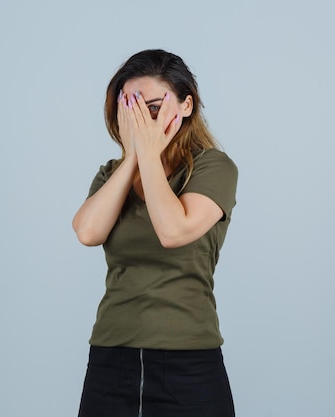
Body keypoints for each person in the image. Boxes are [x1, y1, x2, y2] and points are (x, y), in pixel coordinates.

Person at [72, 49, 238, 417]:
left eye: (150, 107)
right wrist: (133, 157)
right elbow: (87, 231)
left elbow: (173, 230)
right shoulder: (112, 174)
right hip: (111, 358)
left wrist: (147, 156)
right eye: (129, 108)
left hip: (190, 362)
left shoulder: (214, 168)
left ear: (185, 105)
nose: (139, 121)